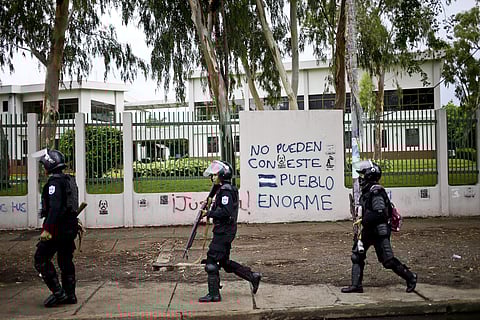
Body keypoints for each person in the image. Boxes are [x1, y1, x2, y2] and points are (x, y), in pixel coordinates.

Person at [341, 160, 417, 294]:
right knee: (357, 256)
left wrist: (364, 220)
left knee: (387, 260)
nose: (361, 178)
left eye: (363, 175)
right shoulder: (367, 190)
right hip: (368, 230)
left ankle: (410, 277)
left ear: (370, 176)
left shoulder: (376, 191)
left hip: (379, 231)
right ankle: (356, 285)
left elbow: (380, 213)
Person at [198, 160, 261, 302]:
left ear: (222, 175)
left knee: (211, 261)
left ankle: (214, 294)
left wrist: (209, 213)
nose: (213, 177)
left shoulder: (226, 190)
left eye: (215, 175)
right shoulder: (223, 188)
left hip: (224, 231)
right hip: (225, 230)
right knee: (224, 262)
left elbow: (225, 212)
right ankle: (252, 276)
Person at [34, 149, 78, 307]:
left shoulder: (54, 184)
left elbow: (55, 208)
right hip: (70, 227)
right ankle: (70, 294)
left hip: (57, 229)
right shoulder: (69, 180)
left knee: (40, 258)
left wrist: (47, 229)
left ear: (48, 165)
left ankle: (59, 294)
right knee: (65, 260)